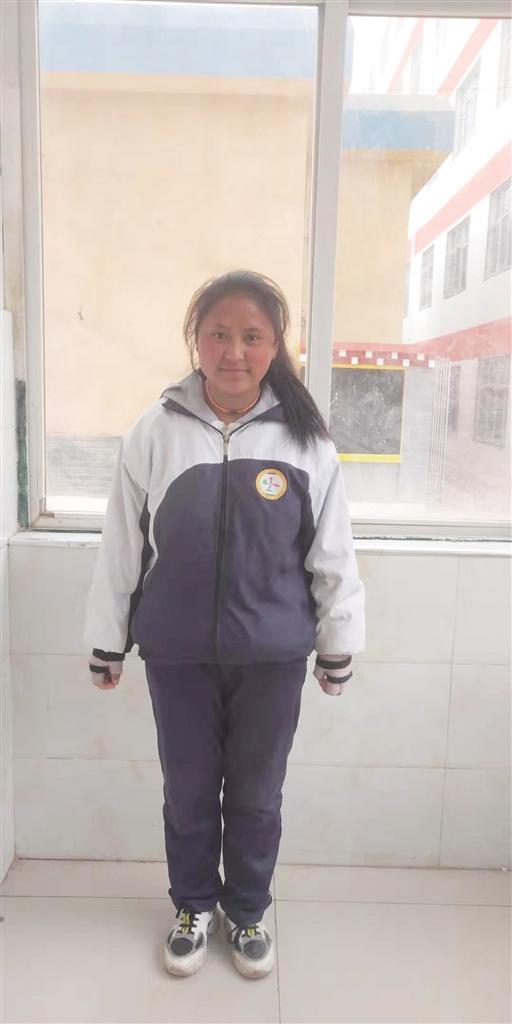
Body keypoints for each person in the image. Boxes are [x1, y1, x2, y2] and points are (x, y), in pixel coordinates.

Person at [84, 270, 365, 980]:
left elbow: (332, 554)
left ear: (275, 346)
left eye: (251, 337)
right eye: (218, 334)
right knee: (187, 790)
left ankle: (246, 911)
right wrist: (107, 639)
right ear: (195, 340)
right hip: (176, 654)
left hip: (272, 657)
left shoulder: (306, 442)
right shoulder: (155, 432)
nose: (233, 351)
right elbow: (122, 544)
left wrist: (337, 646)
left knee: (255, 794)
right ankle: (192, 906)